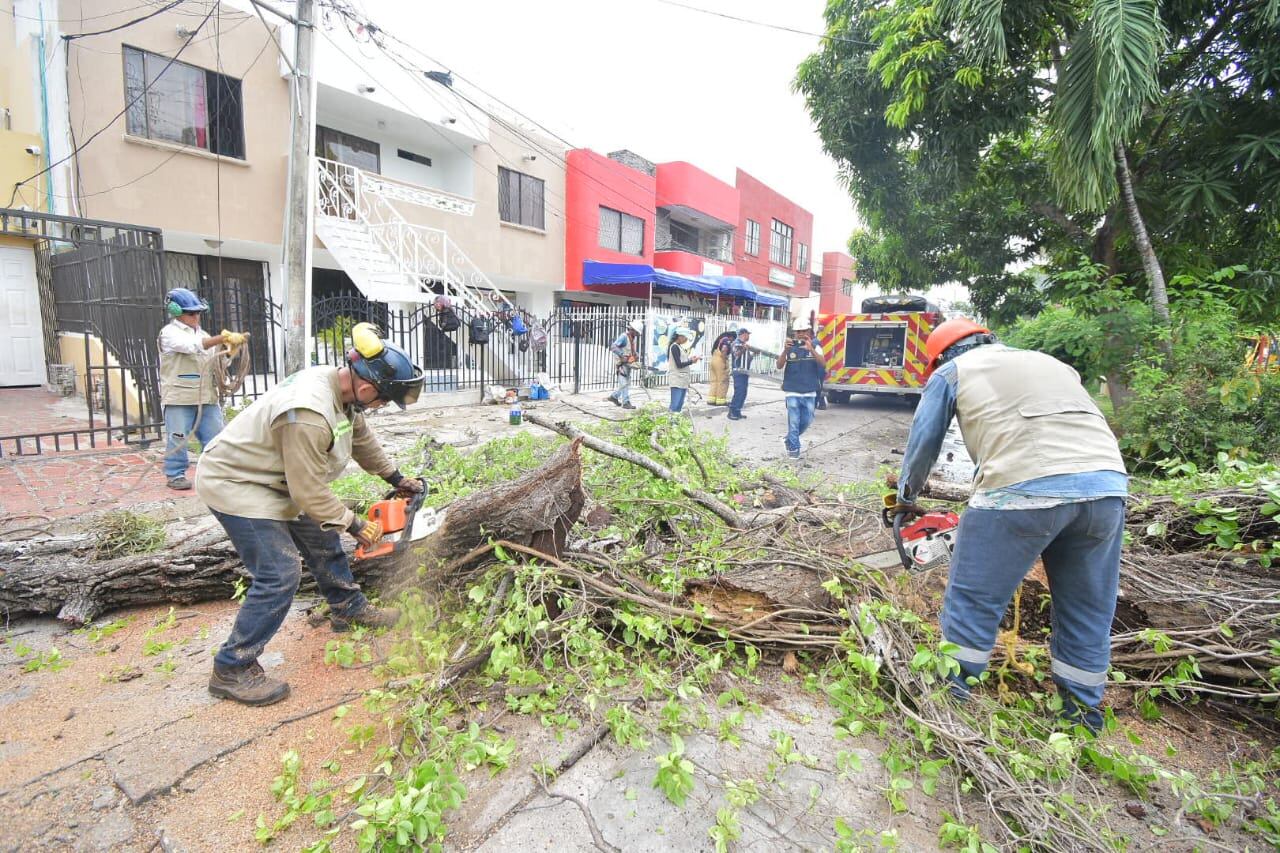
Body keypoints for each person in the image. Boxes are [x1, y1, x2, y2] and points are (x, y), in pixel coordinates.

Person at [893, 318, 1128, 733]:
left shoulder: (952, 372)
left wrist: (905, 499)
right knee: (1088, 610)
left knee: (974, 603)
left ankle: (948, 707)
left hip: (1018, 490)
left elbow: (924, 441)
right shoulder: (1050, 363)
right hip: (1106, 489)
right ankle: (1080, 718)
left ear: (941, 357)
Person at [196, 322, 426, 706]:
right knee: (279, 573)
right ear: (369, 388)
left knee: (323, 539)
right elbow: (307, 490)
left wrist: (396, 477)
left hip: (277, 479)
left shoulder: (344, 390)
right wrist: (355, 524)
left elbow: (360, 438)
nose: (381, 407)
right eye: (384, 400)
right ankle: (232, 667)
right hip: (238, 483)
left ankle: (348, 608)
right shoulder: (309, 412)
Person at [158, 288, 245, 491]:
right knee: (178, 437)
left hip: (206, 396)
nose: (196, 316)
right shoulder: (169, 333)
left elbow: (218, 361)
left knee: (216, 437)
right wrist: (222, 339)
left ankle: (217, 473)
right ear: (176, 311)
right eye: (191, 313)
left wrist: (230, 351)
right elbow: (191, 346)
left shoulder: (203, 334)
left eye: (198, 312)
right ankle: (175, 474)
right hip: (179, 396)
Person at [776, 321, 824, 457]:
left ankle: (788, 439)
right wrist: (785, 350)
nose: (801, 334)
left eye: (804, 331)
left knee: (807, 420)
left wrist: (812, 350)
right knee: (794, 422)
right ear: (795, 333)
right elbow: (779, 366)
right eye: (798, 331)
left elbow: (823, 363)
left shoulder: (815, 345)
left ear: (809, 331)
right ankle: (794, 451)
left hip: (810, 391)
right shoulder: (790, 346)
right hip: (792, 391)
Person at [607, 319, 643, 410]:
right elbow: (613, 347)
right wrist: (622, 355)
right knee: (624, 383)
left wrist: (635, 355)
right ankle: (626, 402)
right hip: (622, 364)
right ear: (632, 329)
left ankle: (614, 397)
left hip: (628, 364)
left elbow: (630, 349)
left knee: (626, 383)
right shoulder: (623, 337)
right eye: (637, 332)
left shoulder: (632, 338)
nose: (637, 334)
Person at [667, 327, 700, 413]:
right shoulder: (674, 347)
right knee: (675, 405)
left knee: (679, 405)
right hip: (677, 380)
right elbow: (679, 364)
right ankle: (671, 423)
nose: (686, 340)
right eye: (685, 338)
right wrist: (691, 361)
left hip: (682, 380)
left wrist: (690, 359)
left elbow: (682, 361)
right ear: (680, 337)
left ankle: (676, 423)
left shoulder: (679, 347)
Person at [726, 327, 757, 420]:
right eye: (748, 334)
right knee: (739, 392)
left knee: (743, 392)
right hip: (738, 371)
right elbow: (737, 354)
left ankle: (737, 411)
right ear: (743, 334)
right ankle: (732, 412)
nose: (748, 336)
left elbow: (747, 360)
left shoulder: (743, 344)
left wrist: (754, 354)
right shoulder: (736, 343)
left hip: (744, 372)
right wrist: (743, 349)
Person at [707, 329, 736, 406]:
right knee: (723, 381)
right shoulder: (726, 340)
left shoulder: (720, 339)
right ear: (732, 337)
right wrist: (724, 361)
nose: (733, 341)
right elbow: (724, 350)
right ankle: (720, 401)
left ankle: (711, 400)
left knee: (714, 381)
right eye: (733, 340)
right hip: (720, 361)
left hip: (713, 360)